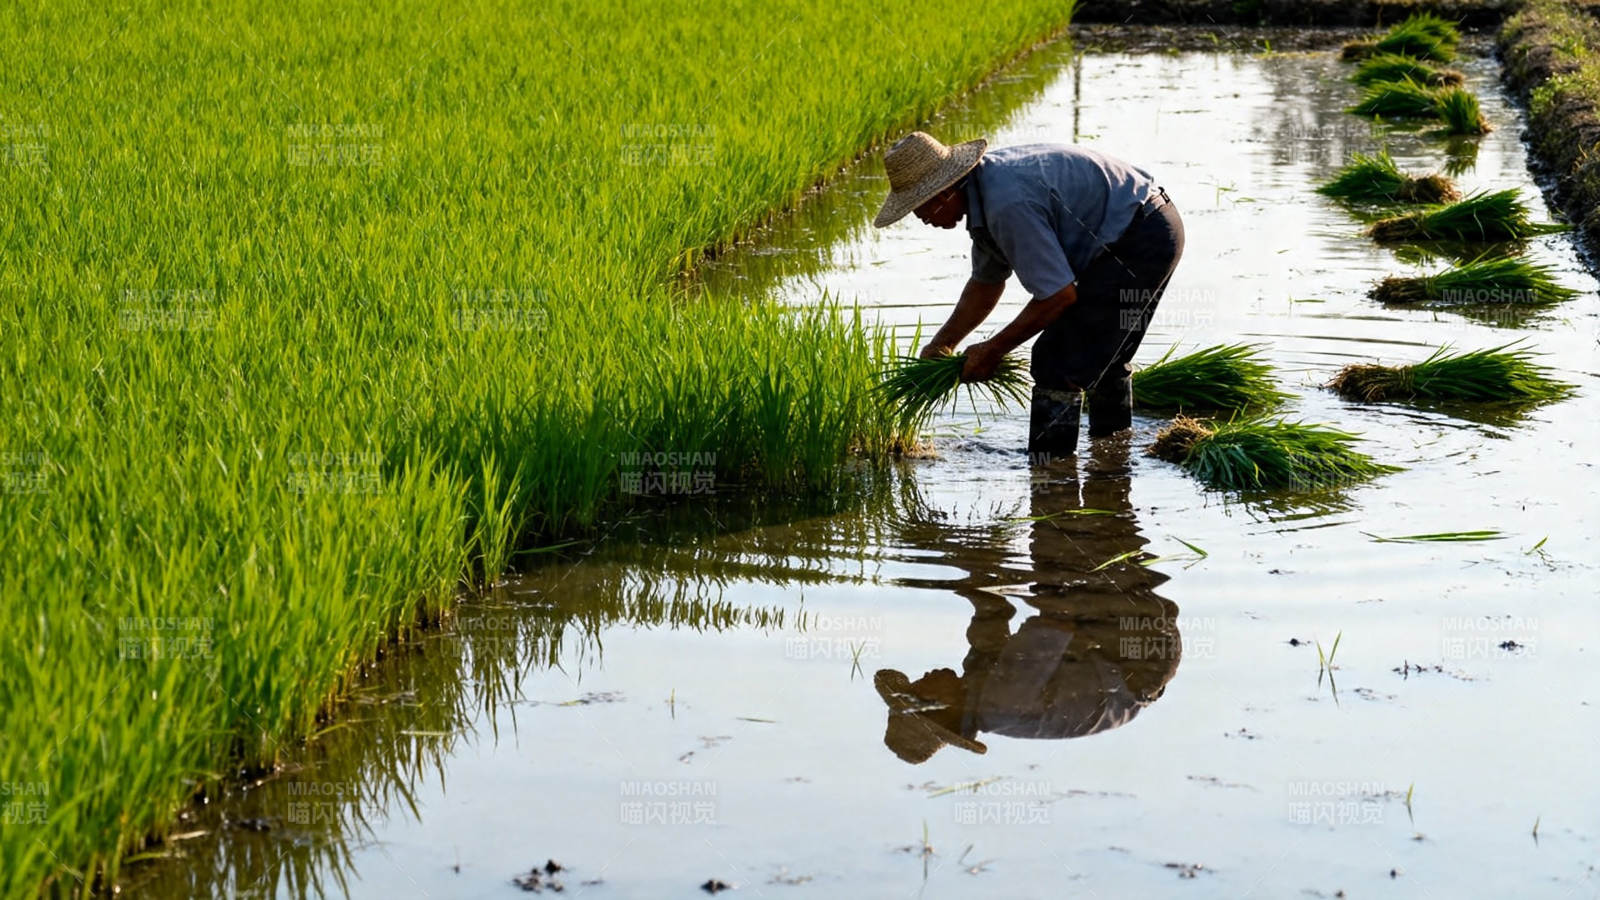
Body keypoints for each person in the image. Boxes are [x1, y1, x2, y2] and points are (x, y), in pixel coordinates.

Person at [872, 131, 1185, 457]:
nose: (919, 218)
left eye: (918, 207)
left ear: (942, 195)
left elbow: (1058, 296)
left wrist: (992, 350)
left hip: (1140, 239)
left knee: (1055, 361)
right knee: (1101, 359)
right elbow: (986, 283)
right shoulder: (985, 191)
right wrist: (943, 343)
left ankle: (1051, 474)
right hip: (1143, 226)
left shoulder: (1006, 203)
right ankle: (1113, 463)